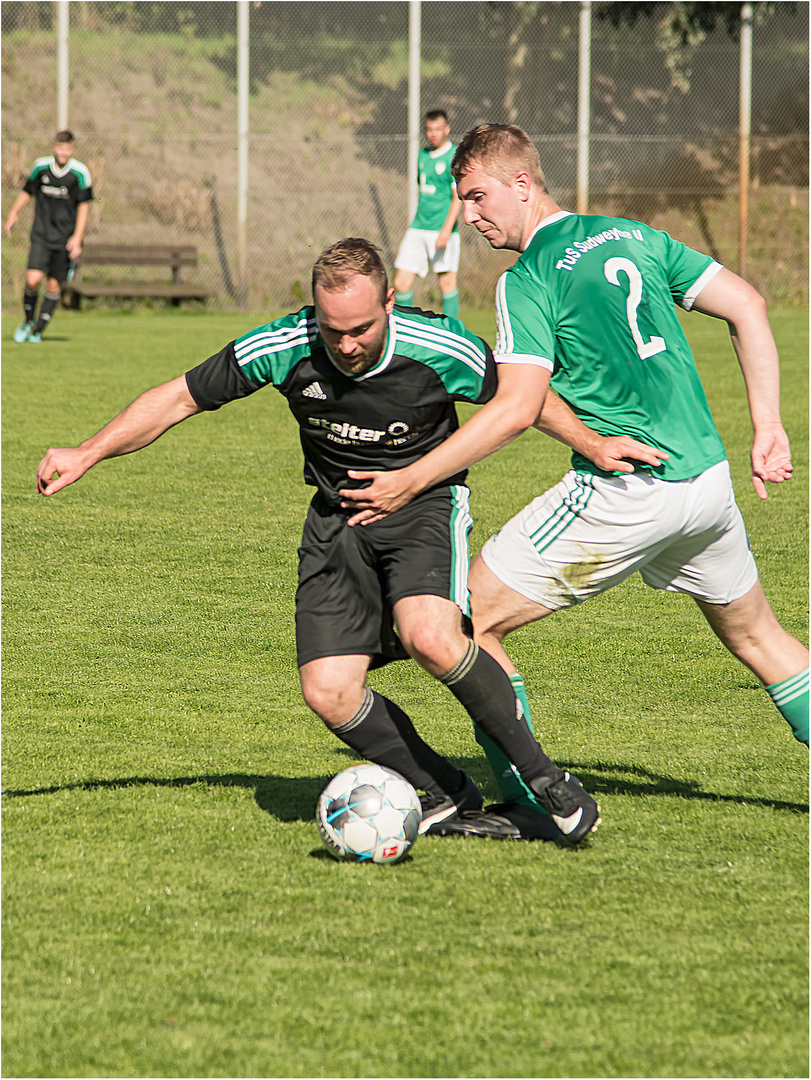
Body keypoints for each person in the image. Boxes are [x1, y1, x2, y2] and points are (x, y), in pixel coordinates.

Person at [35, 237, 601, 844]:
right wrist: (87, 450)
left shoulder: (443, 347)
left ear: (390, 300)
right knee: (329, 692)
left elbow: (526, 400)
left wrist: (595, 449)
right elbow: (179, 398)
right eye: (333, 331)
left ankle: (547, 782)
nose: (347, 345)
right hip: (335, 521)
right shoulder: (285, 344)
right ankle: (442, 793)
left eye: (360, 328)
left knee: (433, 637)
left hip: (424, 506)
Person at [339, 125, 809, 841]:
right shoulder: (632, 234)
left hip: (626, 495)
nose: (468, 215)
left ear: (522, 184)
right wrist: (766, 424)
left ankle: (533, 801)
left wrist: (411, 480)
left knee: (464, 621)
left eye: (476, 196)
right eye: (463, 200)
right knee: (762, 641)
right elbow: (746, 303)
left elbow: (517, 406)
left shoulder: (527, 279)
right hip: (707, 483)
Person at [5, 130, 93, 344]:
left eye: (67, 148)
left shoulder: (80, 173)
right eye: (60, 147)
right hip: (41, 235)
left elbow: (84, 206)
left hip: (64, 239)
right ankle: (27, 321)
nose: (63, 152)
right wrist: (13, 212)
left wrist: (77, 237)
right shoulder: (40, 167)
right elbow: (28, 191)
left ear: (72, 149)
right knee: (32, 279)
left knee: (54, 286)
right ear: (54, 147)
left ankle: (38, 330)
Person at [393, 109, 462, 320]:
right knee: (400, 283)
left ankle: (453, 336)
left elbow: (457, 198)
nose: (433, 134)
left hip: (441, 230)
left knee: (446, 283)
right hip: (417, 227)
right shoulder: (422, 156)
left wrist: (446, 231)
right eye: (429, 130)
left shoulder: (453, 156)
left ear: (446, 130)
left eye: (438, 129)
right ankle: (407, 331)